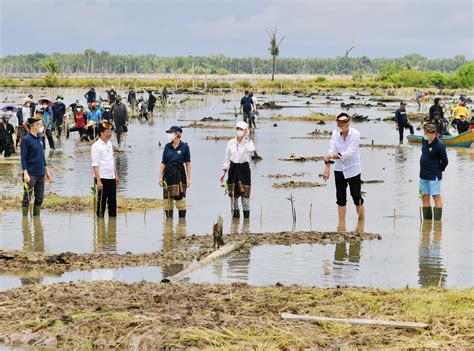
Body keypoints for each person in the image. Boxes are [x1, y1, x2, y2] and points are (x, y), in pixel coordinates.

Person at [323, 113, 365, 221]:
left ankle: (361, 224)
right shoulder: (335, 134)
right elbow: (331, 150)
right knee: (340, 198)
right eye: (340, 123)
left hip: (353, 169)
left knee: (356, 197)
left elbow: (349, 153)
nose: (343, 125)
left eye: (345, 122)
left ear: (349, 122)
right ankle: (341, 225)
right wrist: (327, 168)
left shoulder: (355, 134)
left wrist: (331, 156)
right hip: (339, 170)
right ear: (338, 124)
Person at [219, 121, 255, 219]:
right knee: (233, 197)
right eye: (238, 129)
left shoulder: (248, 142)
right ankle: (235, 222)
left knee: (245, 197)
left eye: (241, 129)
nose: (239, 131)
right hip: (233, 170)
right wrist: (223, 171)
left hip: (244, 170)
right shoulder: (231, 142)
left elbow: (251, 151)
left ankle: (246, 223)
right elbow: (227, 158)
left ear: (245, 131)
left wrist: (247, 137)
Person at [21, 114, 53, 216]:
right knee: (27, 198)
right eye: (40, 124)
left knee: (39, 198)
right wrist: (25, 173)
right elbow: (23, 158)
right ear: (34, 125)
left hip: (41, 173)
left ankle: (36, 220)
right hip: (31, 174)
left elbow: (42, 156)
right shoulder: (26, 139)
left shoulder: (39, 138)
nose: (41, 127)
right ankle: (25, 222)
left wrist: (46, 170)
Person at [159, 126, 191, 219]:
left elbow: (188, 163)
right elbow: (163, 163)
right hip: (168, 175)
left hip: (180, 175)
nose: (169, 135)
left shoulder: (185, 147)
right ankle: (168, 225)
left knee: (180, 200)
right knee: (167, 201)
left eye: (171, 133)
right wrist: (160, 177)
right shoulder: (167, 146)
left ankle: (182, 225)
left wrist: (188, 178)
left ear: (177, 134)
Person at [419, 123, 448, 221]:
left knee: (436, 196)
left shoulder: (439, 145)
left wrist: (438, 170)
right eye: (425, 132)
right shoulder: (424, 140)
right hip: (423, 174)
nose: (425, 134)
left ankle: (437, 223)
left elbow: (445, 161)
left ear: (433, 133)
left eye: (427, 133)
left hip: (434, 175)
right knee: (424, 197)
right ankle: (427, 224)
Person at [91, 120, 120, 217]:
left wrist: (116, 175)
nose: (110, 134)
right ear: (101, 133)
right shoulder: (96, 146)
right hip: (102, 177)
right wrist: (98, 180)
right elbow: (95, 165)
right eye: (107, 132)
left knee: (112, 202)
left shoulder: (109, 144)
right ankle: (100, 227)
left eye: (110, 131)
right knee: (101, 203)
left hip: (111, 177)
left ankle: (112, 226)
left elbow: (111, 161)